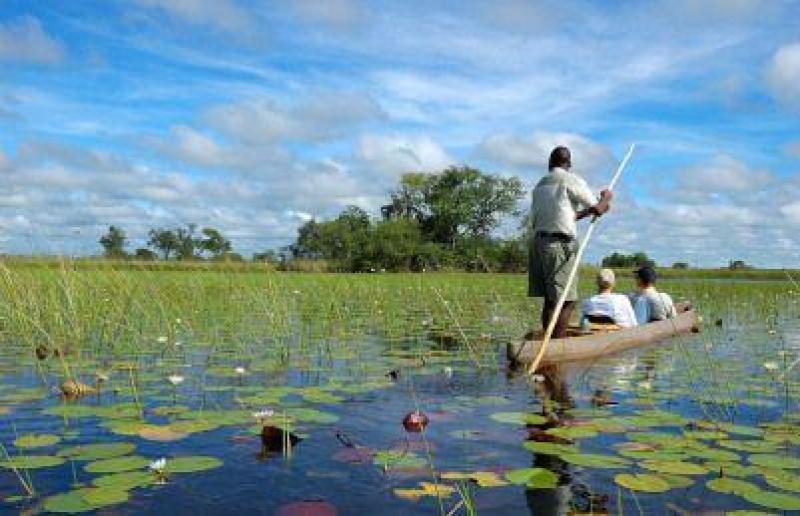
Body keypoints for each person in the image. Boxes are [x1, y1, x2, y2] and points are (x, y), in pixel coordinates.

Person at [528, 146, 613, 338]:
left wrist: (589, 211)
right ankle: (556, 345)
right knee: (566, 300)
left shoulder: (540, 184)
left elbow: (570, 215)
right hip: (559, 245)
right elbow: (599, 208)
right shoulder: (570, 180)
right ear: (569, 164)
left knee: (551, 299)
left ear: (550, 163)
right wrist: (606, 198)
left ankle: (548, 340)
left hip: (539, 243)